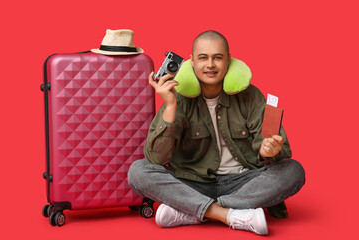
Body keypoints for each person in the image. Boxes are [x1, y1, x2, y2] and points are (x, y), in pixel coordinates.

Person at [128, 30, 305, 235]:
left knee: (293, 170)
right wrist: (169, 106)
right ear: (192, 62)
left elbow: (273, 146)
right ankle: (229, 215)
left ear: (228, 61)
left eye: (217, 58)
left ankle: (194, 211)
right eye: (203, 58)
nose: (210, 65)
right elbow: (156, 158)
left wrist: (269, 150)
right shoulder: (180, 100)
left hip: (243, 182)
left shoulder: (249, 96)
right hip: (193, 182)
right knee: (139, 171)